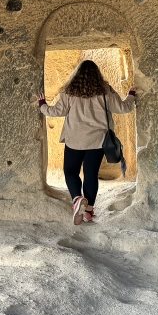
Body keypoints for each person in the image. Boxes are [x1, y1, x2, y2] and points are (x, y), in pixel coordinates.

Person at [38, 60, 137, 226]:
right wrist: (131, 94)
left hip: (75, 140)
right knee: (91, 175)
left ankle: (77, 199)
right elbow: (123, 108)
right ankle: (89, 211)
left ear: (76, 75)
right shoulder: (105, 91)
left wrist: (42, 105)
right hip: (97, 141)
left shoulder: (69, 92)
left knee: (71, 172)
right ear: (98, 74)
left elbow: (56, 112)